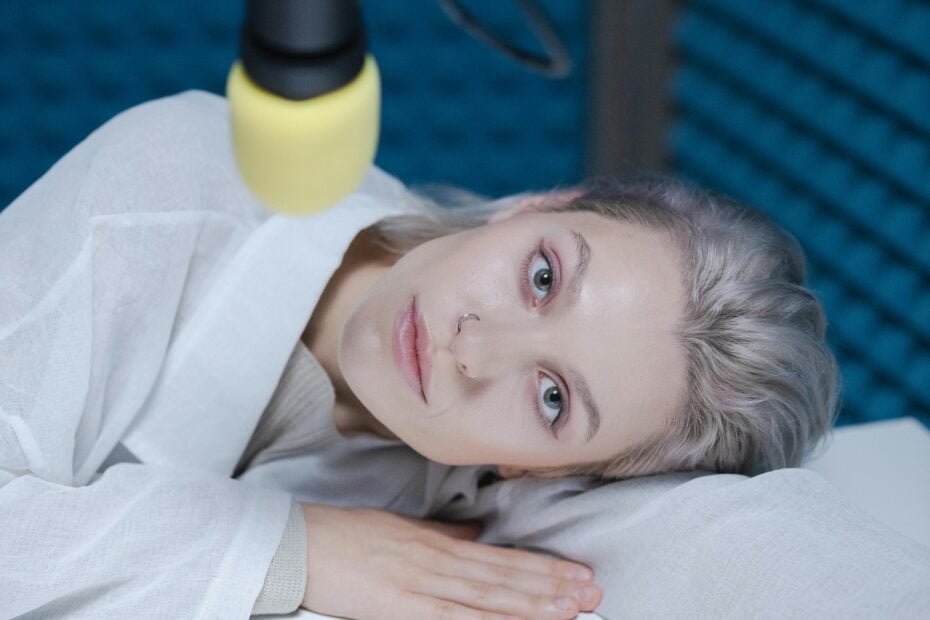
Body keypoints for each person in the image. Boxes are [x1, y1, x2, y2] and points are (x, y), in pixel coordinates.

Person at [3, 91, 928, 620]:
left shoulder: (480, 489)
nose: (475, 346)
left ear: (539, 467)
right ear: (534, 203)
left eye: (556, 398)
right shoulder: (187, 174)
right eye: (541, 278)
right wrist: (289, 546)